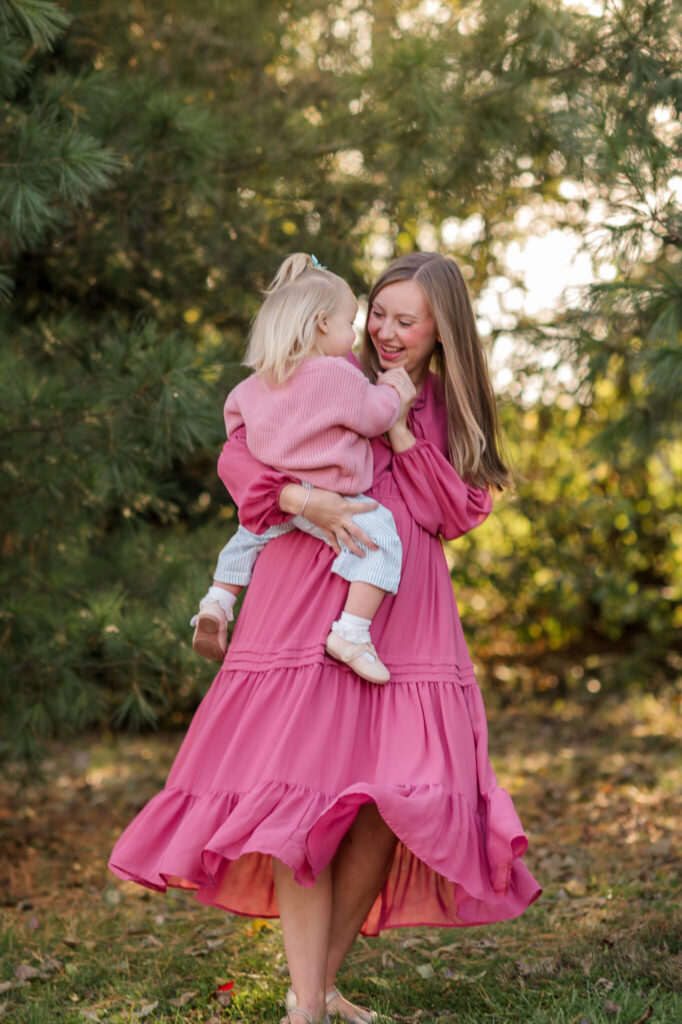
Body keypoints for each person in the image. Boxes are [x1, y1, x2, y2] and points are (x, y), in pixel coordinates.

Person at [109, 252, 541, 1024]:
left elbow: (457, 512)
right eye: (378, 313)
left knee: (391, 799)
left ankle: (322, 984)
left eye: (405, 321)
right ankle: (306, 1004)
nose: (385, 331)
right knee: (298, 796)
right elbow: (239, 456)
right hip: (302, 586)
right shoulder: (322, 368)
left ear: (444, 328)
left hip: (400, 608)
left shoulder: (444, 402)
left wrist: (404, 431)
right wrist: (304, 494)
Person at [191, 252, 414, 685]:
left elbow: (236, 432)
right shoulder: (338, 376)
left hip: (282, 501)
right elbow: (374, 418)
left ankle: (217, 602)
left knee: (247, 536)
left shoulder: (253, 385)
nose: (354, 334)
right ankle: (351, 632)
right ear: (321, 323)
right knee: (382, 539)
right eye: (349, 322)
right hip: (335, 497)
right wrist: (390, 390)